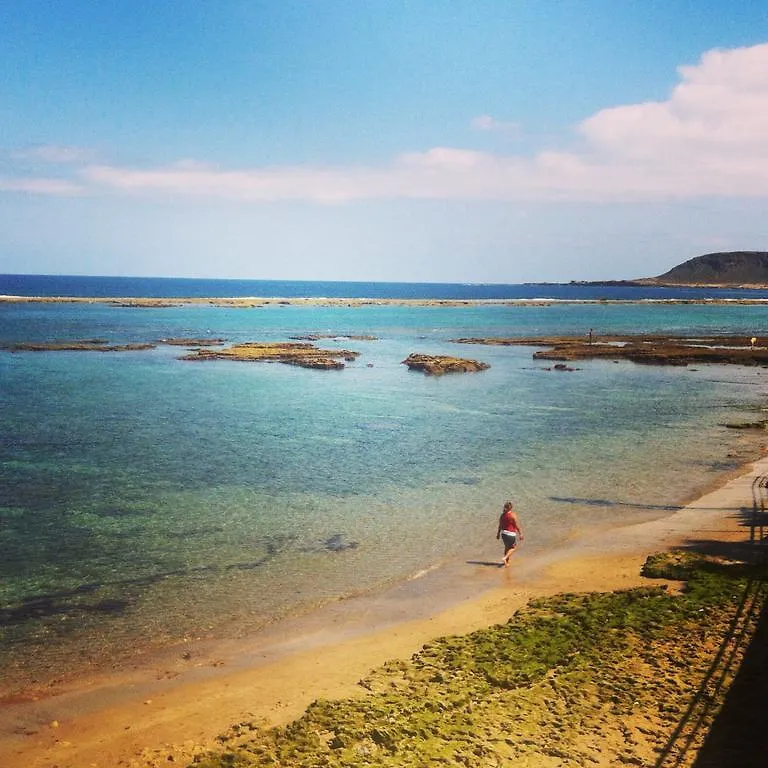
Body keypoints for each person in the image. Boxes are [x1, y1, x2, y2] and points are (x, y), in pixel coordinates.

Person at [496, 500, 524, 567]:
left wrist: (498, 533)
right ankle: (505, 558)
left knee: (506, 547)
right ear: (510, 508)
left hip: (503, 534)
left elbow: (500, 525)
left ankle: (506, 563)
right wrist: (520, 534)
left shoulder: (502, 515)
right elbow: (516, 525)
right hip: (510, 534)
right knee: (513, 548)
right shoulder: (512, 515)